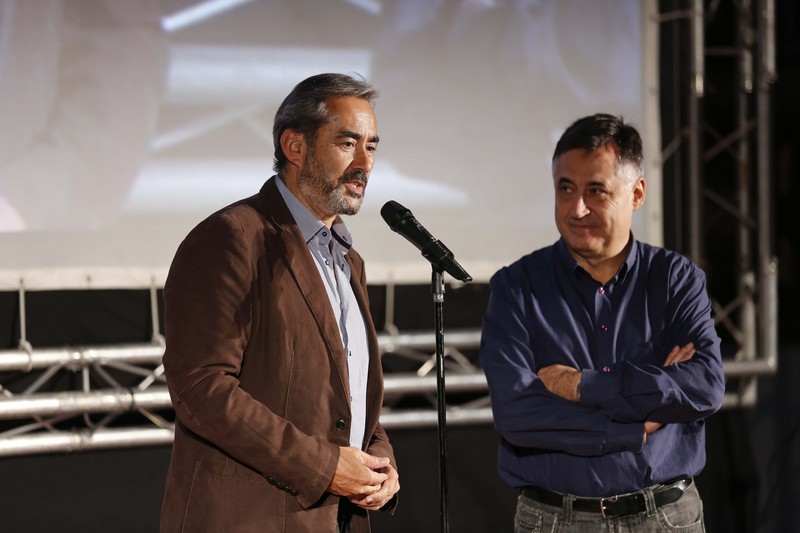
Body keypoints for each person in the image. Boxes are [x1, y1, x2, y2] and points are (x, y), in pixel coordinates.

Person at [160, 73, 399, 533]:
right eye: (348, 143)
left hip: (337, 519)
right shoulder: (234, 237)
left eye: (371, 146)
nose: (364, 163)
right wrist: (324, 466)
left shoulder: (348, 261)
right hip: (249, 518)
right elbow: (200, 387)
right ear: (295, 147)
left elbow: (349, 396)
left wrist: (380, 461)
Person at [479, 113, 725, 532]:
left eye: (596, 191)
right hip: (555, 521)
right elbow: (516, 413)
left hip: (666, 517)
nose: (577, 209)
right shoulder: (516, 287)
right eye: (566, 189)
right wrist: (641, 421)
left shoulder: (675, 279)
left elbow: (704, 386)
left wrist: (580, 386)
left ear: (637, 193)